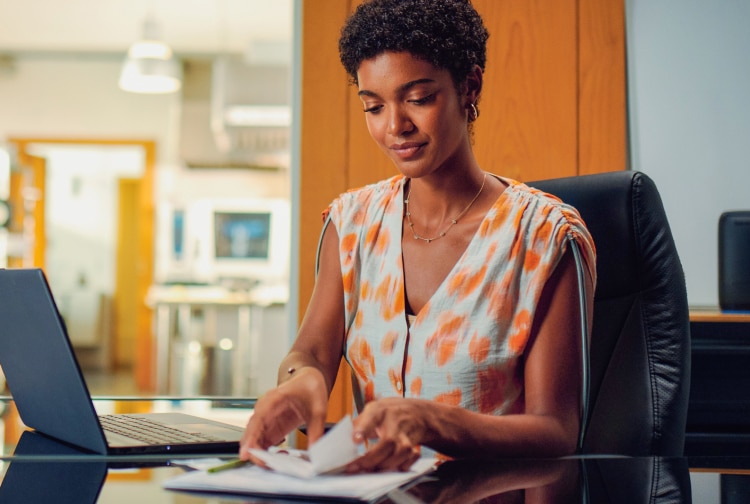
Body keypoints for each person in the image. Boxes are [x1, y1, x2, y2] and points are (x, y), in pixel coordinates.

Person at [238, 0, 597, 473]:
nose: (394, 127)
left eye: (419, 99)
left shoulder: (546, 237)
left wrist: (431, 422)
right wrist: (300, 381)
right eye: (373, 106)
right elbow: (312, 352)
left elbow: (556, 431)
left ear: (470, 85)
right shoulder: (351, 224)